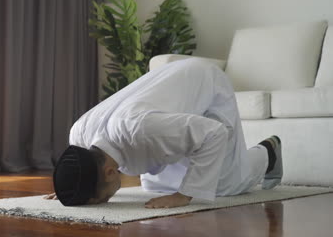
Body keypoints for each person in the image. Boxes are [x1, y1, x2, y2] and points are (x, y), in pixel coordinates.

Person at [44, 58, 283, 209]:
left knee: (225, 185)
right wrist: (72, 184)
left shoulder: (144, 131)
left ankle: (268, 152)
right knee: (158, 186)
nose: (104, 203)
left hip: (208, 86)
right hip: (170, 96)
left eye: (100, 200)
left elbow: (214, 133)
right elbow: (80, 168)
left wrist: (186, 195)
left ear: (108, 172)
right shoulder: (79, 135)